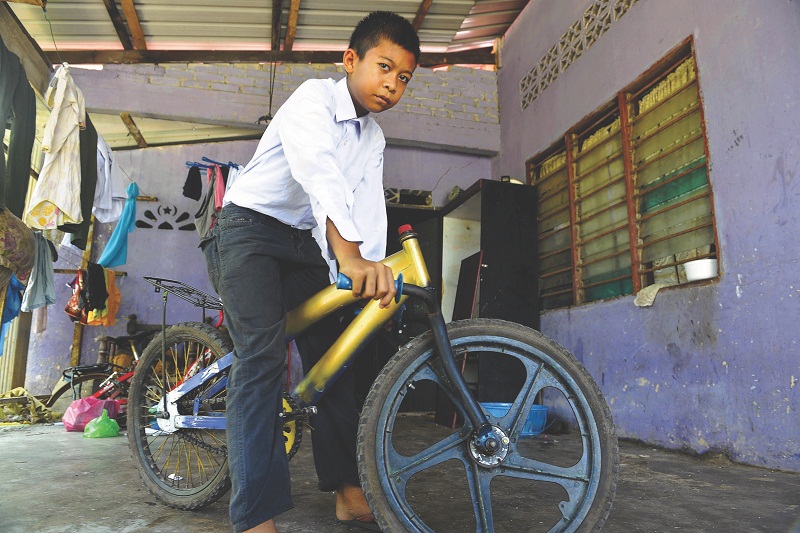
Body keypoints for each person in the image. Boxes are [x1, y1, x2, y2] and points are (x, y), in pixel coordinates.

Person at [201, 11, 420, 533]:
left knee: (342, 353)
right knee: (262, 357)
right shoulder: (312, 100)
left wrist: (369, 273)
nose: (392, 84)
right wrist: (348, 257)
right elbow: (319, 173)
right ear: (351, 61)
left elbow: (365, 210)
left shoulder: (373, 138)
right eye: (384, 67)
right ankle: (255, 514)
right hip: (246, 231)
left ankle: (348, 491)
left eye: (404, 78)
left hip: (304, 246)